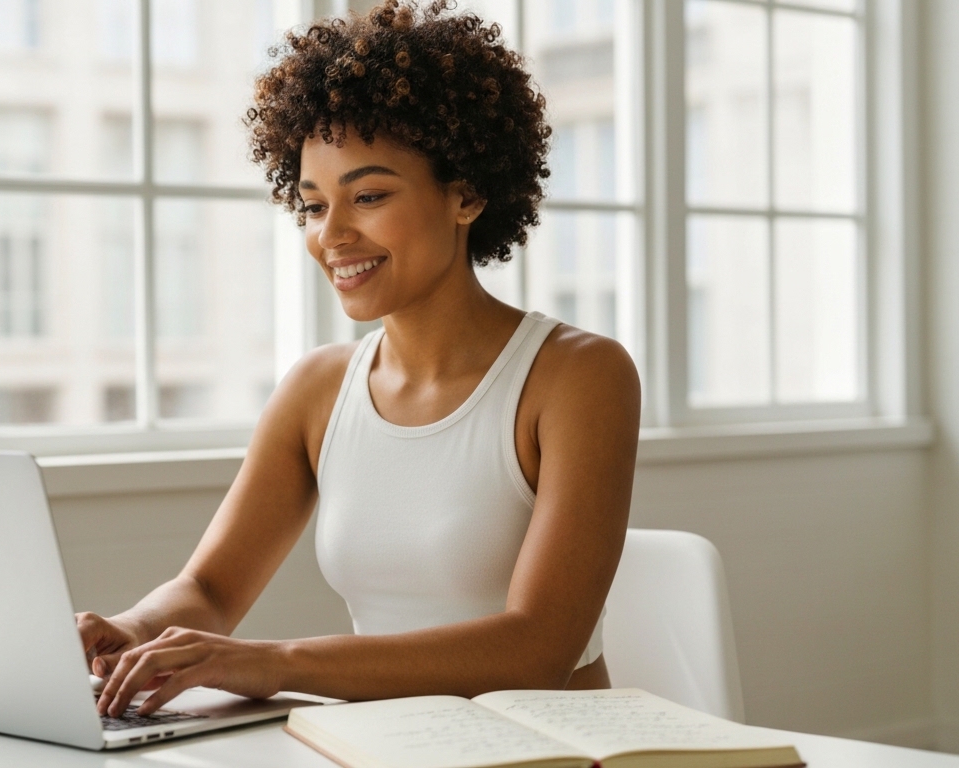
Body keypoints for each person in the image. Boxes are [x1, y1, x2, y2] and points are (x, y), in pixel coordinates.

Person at [79, 0, 640, 719]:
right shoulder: (318, 388)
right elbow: (212, 592)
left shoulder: (578, 377)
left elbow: (536, 648)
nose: (332, 235)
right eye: (313, 206)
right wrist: (127, 631)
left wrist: (273, 663)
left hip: (546, 749)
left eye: (368, 196)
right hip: (383, 747)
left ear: (466, 193)